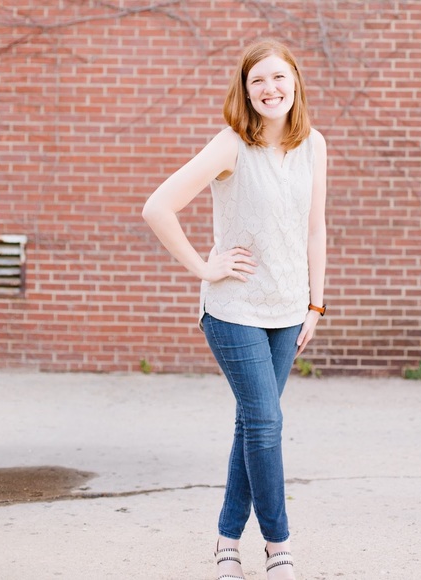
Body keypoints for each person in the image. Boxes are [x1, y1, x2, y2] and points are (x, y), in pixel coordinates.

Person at [142, 39, 327, 580]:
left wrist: (315, 304)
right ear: (245, 92)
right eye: (257, 81)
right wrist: (205, 268)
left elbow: (315, 229)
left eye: (278, 77)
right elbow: (158, 207)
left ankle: (226, 544)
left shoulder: (314, 145)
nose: (270, 89)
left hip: (289, 312)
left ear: (295, 82)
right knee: (266, 422)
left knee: (253, 424)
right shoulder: (231, 145)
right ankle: (278, 547)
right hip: (235, 309)